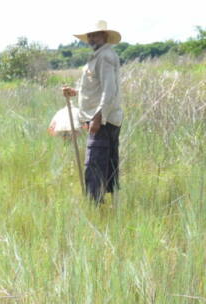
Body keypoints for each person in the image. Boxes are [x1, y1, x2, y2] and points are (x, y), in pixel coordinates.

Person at [62, 21, 123, 204]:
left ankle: (94, 206)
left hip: (102, 121)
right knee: (105, 164)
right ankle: (107, 206)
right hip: (105, 118)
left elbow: (109, 91)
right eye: (89, 35)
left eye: (95, 34)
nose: (91, 38)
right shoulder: (99, 56)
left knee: (94, 165)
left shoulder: (105, 56)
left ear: (104, 35)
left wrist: (98, 118)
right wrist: (76, 92)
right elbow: (97, 89)